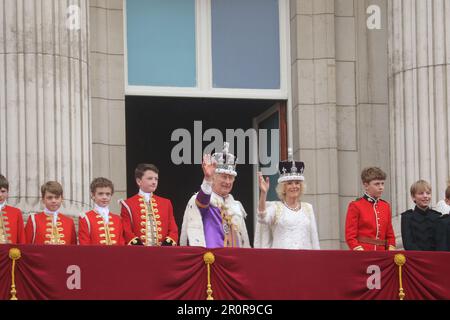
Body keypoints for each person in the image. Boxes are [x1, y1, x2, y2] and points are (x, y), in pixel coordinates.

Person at [180, 142, 250, 248]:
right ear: (214, 177)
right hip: (211, 259)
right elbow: (202, 201)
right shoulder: (206, 199)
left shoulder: (236, 206)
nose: (227, 181)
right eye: (224, 177)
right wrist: (207, 179)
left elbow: (243, 239)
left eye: (230, 178)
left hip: (235, 259)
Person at [254, 157, 320, 250]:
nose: (294, 186)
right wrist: (264, 193)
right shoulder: (276, 208)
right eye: (289, 183)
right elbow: (262, 218)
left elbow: (314, 239)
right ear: (283, 187)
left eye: (297, 183)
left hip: (304, 261)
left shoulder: (308, 208)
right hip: (281, 261)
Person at [120, 164, 178, 246]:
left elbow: (173, 229)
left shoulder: (166, 203)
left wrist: (167, 244)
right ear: (139, 181)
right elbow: (126, 231)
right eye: (150, 178)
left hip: (163, 252)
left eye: (156, 179)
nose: (154, 182)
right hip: (139, 253)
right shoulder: (128, 204)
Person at [345, 167, 396, 251]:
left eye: (382, 183)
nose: (381, 187)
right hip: (363, 253)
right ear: (366, 185)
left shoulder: (385, 206)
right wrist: (361, 252)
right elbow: (350, 236)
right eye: (377, 184)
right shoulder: (356, 206)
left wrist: (390, 250)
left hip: (382, 254)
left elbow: (390, 234)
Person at [78, 177, 125, 245]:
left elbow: (121, 243)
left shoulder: (118, 219)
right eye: (100, 194)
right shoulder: (85, 218)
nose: (104, 197)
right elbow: (84, 244)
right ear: (93, 195)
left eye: (108, 194)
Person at [401, 180, 442, 251]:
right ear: (413, 197)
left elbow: (441, 243)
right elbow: (408, 244)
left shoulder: (437, 216)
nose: (425, 196)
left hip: (434, 259)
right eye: (421, 193)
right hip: (415, 259)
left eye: (428, 193)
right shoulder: (407, 217)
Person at [0, 174, 26, 244]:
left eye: (3, 191)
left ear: (7, 192)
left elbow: (21, 239)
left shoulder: (16, 212)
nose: (0, 195)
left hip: (10, 254)